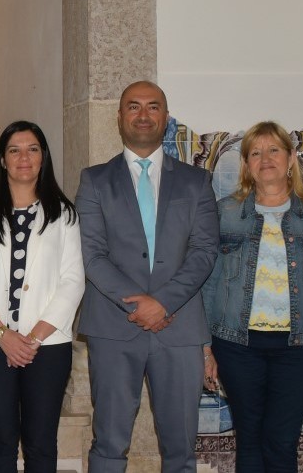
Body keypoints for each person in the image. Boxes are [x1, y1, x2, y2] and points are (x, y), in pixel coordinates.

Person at [75, 81, 218, 473]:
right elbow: (92, 253)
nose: (143, 115)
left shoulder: (196, 181)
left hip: (180, 327)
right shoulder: (94, 180)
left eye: (153, 107)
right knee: (108, 442)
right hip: (113, 326)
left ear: (166, 118)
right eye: (133, 106)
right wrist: (140, 305)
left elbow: (205, 251)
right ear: (119, 117)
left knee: (180, 448)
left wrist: (164, 303)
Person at [200, 122, 303, 472]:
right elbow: (208, 282)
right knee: (249, 440)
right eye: (256, 153)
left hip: (302, 347)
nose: (266, 159)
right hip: (236, 345)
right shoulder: (225, 211)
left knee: (281, 441)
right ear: (246, 164)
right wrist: (205, 349)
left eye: (274, 150)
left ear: (291, 158)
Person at [0, 120, 83, 473]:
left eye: (32, 149)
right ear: (2, 159)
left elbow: (73, 281)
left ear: (43, 157)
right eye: (14, 150)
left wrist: (33, 338)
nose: (24, 158)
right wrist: (2, 334)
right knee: (0, 441)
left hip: (47, 345)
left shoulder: (64, 214)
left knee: (41, 443)